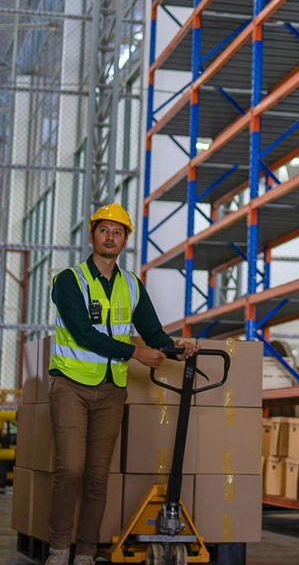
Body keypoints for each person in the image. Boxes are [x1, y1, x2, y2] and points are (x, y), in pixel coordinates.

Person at [45, 203, 200, 565]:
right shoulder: (69, 281)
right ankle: (58, 549)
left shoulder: (131, 284)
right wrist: (136, 354)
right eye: (104, 230)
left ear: (125, 239)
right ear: (92, 235)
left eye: (118, 232)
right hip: (71, 384)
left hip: (112, 389)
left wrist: (179, 348)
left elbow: (152, 333)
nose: (110, 237)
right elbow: (83, 334)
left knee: (98, 475)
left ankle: (84, 552)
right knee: (71, 468)